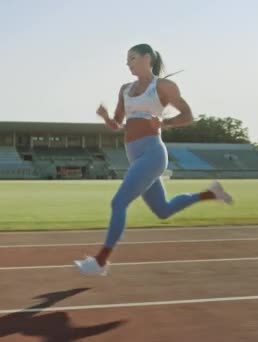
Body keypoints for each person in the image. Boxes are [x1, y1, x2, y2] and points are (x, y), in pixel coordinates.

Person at [74, 43, 233, 276]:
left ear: (147, 58)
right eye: (126, 60)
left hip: (153, 154)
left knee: (118, 203)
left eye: (133, 58)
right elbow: (117, 125)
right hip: (135, 155)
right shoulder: (125, 89)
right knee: (163, 210)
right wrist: (106, 116)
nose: (128, 63)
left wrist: (165, 122)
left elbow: (188, 116)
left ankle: (100, 262)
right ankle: (210, 193)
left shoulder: (164, 86)